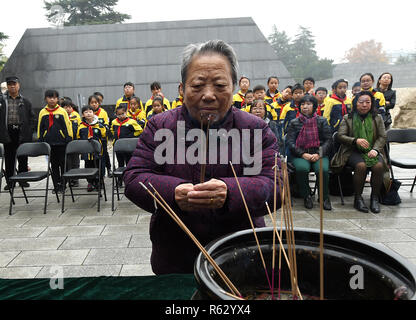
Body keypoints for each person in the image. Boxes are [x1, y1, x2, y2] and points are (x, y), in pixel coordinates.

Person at [123, 39, 279, 275]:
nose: (208, 95)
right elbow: (135, 177)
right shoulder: (160, 126)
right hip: (176, 253)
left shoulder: (254, 129)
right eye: (197, 86)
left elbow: (275, 184)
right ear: (181, 88)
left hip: (242, 251)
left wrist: (231, 192)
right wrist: (172, 192)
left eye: (219, 85)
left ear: (235, 86)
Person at [331, 91, 389, 214]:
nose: (364, 105)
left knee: (378, 166)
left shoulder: (377, 118)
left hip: (372, 150)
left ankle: (374, 198)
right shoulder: (348, 118)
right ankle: (358, 198)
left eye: (367, 102)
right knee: (361, 166)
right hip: (352, 150)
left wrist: (375, 149)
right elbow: (340, 136)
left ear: (371, 104)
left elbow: (382, 137)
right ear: (355, 103)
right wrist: (355, 140)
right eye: (361, 102)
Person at [286, 95, 332, 210]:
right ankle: (306, 196)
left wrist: (318, 154)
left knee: (322, 169)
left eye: (308, 104)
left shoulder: (322, 121)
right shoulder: (294, 122)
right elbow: (290, 142)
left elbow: (328, 140)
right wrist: (303, 154)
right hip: (300, 155)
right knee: (302, 169)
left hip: (319, 154)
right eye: (302, 104)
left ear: (314, 106)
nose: (305, 106)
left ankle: (324, 197)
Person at [0, 76, 35, 190]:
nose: (12, 86)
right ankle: (10, 182)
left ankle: (23, 180)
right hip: (7, 132)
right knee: (9, 158)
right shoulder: (2, 101)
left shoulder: (25, 101)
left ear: (18, 85)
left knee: (23, 157)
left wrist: (29, 131)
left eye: (14, 84)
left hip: (21, 132)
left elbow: (32, 118)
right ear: (7, 86)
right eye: (10, 84)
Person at [37, 90, 73, 192]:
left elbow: (67, 125)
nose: (52, 99)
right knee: (54, 165)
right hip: (49, 143)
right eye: (49, 97)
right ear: (45, 99)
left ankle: (63, 183)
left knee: (63, 163)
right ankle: (56, 184)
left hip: (62, 142)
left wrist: (69, 138)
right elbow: (40, 126)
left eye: (54, 97)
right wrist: (41, 139)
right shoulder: (42, 112)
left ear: (57, 99)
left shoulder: (62, 111)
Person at [77, 105, 107, 192]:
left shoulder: (99, 126)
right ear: (83, 115)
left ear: (94, 113)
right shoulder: (81, 126)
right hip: (86, 152)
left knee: (98, 166)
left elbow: (104, 135)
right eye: (86, 112)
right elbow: (79, 137)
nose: (88, 114)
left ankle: (99, 182)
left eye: (90, 112)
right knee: (88, 166)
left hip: (97, 151)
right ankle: (90, 182)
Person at [111, 106, 142, 186]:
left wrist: (130, 136)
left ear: (126, 112)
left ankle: (128, 180)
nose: (121, 116)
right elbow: (112, 130)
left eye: (122, 114)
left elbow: (139, 130)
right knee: (120, 164)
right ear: (116, 114)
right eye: (119, 114)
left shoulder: (131, 122)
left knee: (129, 163)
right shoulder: (114, 122)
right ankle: (119, 180)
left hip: (128, 147)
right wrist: (114, 137)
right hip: (118, 147)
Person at [89, 94, 111, 177]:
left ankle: (107, 169)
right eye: (92, 102)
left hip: (102, 138)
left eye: (96, 102)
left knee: (104, 154)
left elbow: (106, 125)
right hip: (91, 139)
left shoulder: (103, 112)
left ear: (99, 103)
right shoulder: (88, 112)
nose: (94, 104)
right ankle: (93, 175)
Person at [62, 100, 81, 187]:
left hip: (75, 142)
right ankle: (69, 178)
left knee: (75, 161)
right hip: (65, 143)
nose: (68, 109)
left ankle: (75, 179)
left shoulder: (76, 115)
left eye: (69, 107)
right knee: (67, 161)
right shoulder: (62, 116)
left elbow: (80, 128)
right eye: (65, 107)